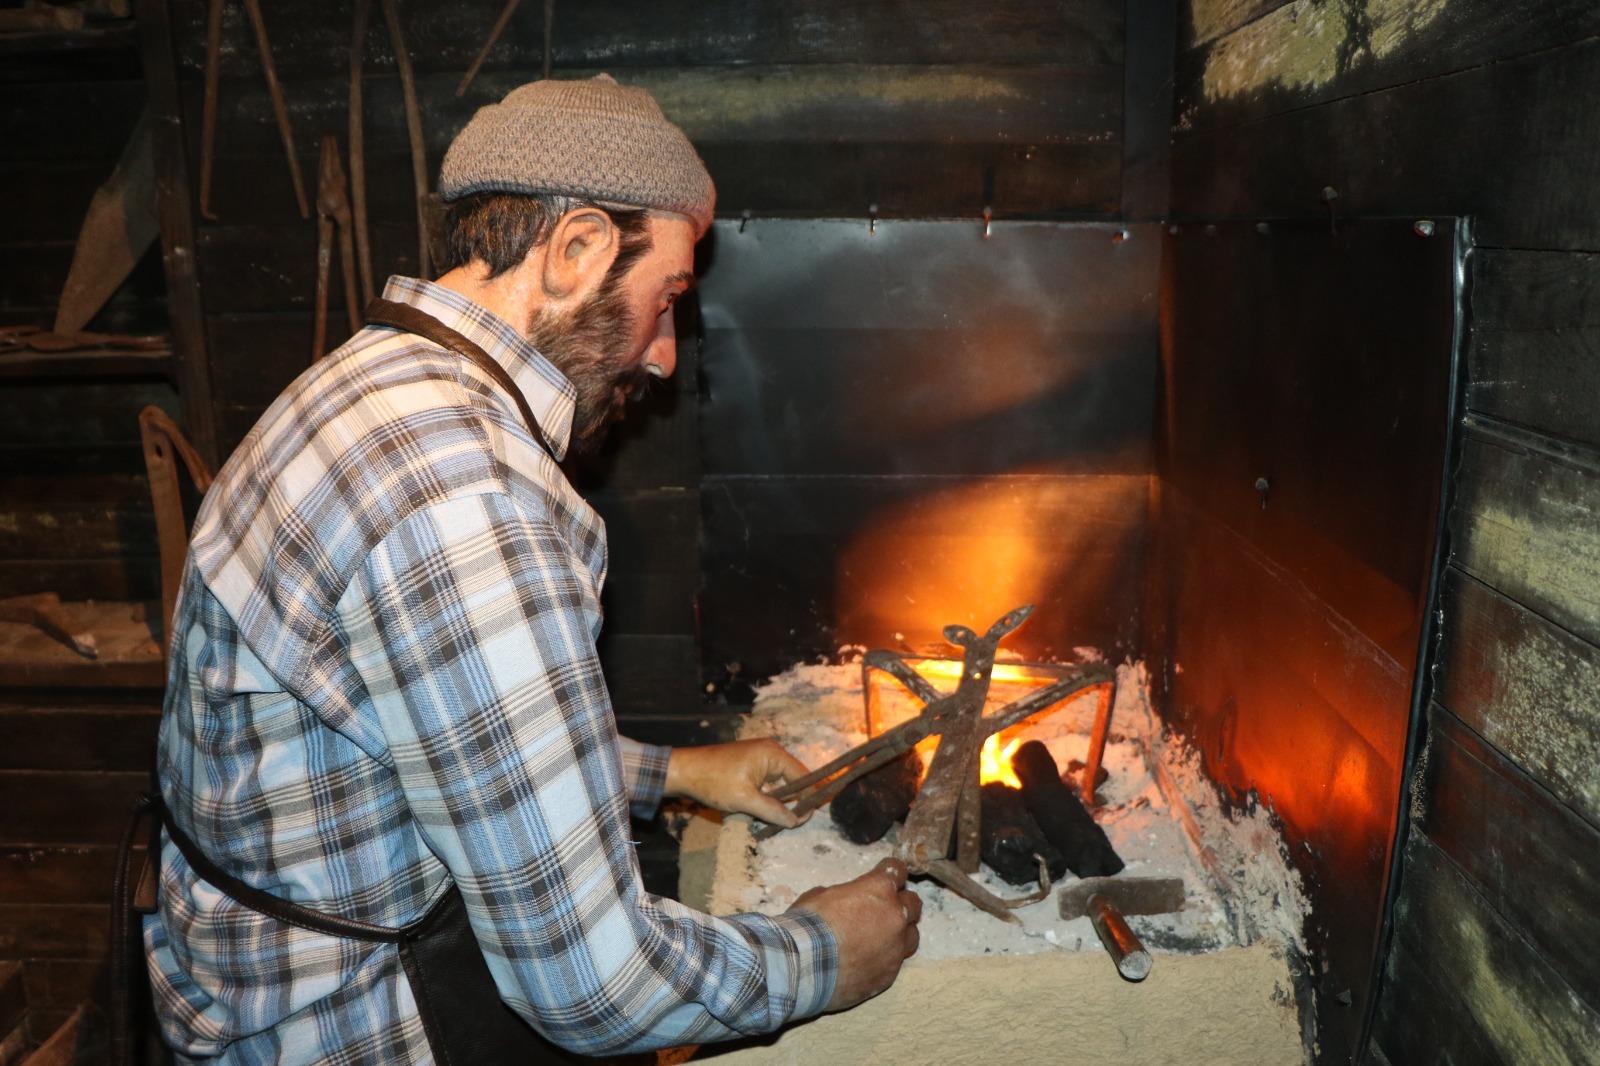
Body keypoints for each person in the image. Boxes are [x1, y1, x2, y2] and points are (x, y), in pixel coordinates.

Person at [144, 75, 920, 1063]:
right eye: (666, 298)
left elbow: (415, 731)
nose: (665, 356)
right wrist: (817, 955)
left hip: (232, 983)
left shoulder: (358, 385)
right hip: (345, 1026)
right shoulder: (471, 496)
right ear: (578, 250)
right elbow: (593, 983)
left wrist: (672, 771)